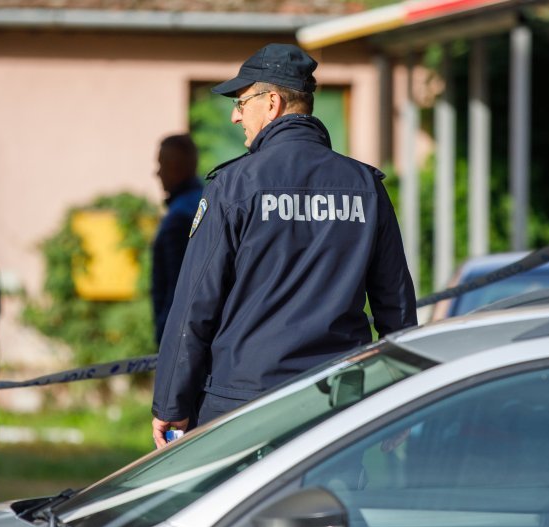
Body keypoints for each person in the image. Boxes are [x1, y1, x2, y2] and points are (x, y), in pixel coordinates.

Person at [151, 44, 417, 448]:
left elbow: (194, 305)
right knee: (329, 509)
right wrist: (399, 401)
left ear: (271, 102)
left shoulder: (234, 186)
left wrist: (170, 405)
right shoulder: (365, 187)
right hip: (338, 403)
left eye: (242, 102)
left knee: (237, 511)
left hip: (244, 405)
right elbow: (395, 307)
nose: (235, 114)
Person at [151, 133, 203, 345]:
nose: (157, 173)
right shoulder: (207, 201)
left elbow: (179, 290)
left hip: (181, 338)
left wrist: (167, 338)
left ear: (174, 166)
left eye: (161, 164)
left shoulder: (180, 217)